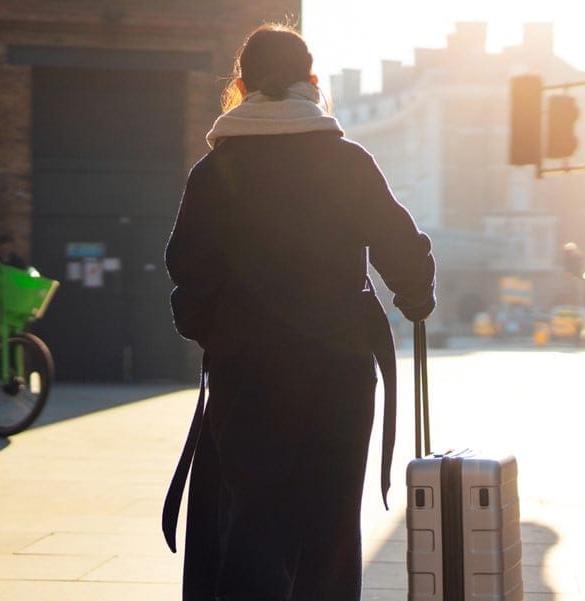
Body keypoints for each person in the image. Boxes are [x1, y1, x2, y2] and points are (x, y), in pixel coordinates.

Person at [160, 24, 436, 601]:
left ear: (241, 84)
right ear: (313, 82)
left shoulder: (215, 171)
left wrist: (213, 327)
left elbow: (188, 270)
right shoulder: (345, 161)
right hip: (337, 370)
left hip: (247, 370)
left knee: (253, 517)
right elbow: (402, 248)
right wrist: (415, 296)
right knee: (329, 524)